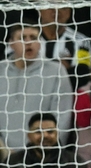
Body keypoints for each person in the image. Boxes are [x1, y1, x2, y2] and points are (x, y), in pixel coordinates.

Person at [0, 21, 73, 154]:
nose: (28, 42)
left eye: (33, 38)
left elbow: (63, 116)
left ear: (40, 43)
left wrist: (47, 150)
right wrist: (3, 151)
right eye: (22, 38)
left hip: (43, 155)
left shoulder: (56, 71)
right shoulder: (1, 70)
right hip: (4, 155)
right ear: (11, 43)